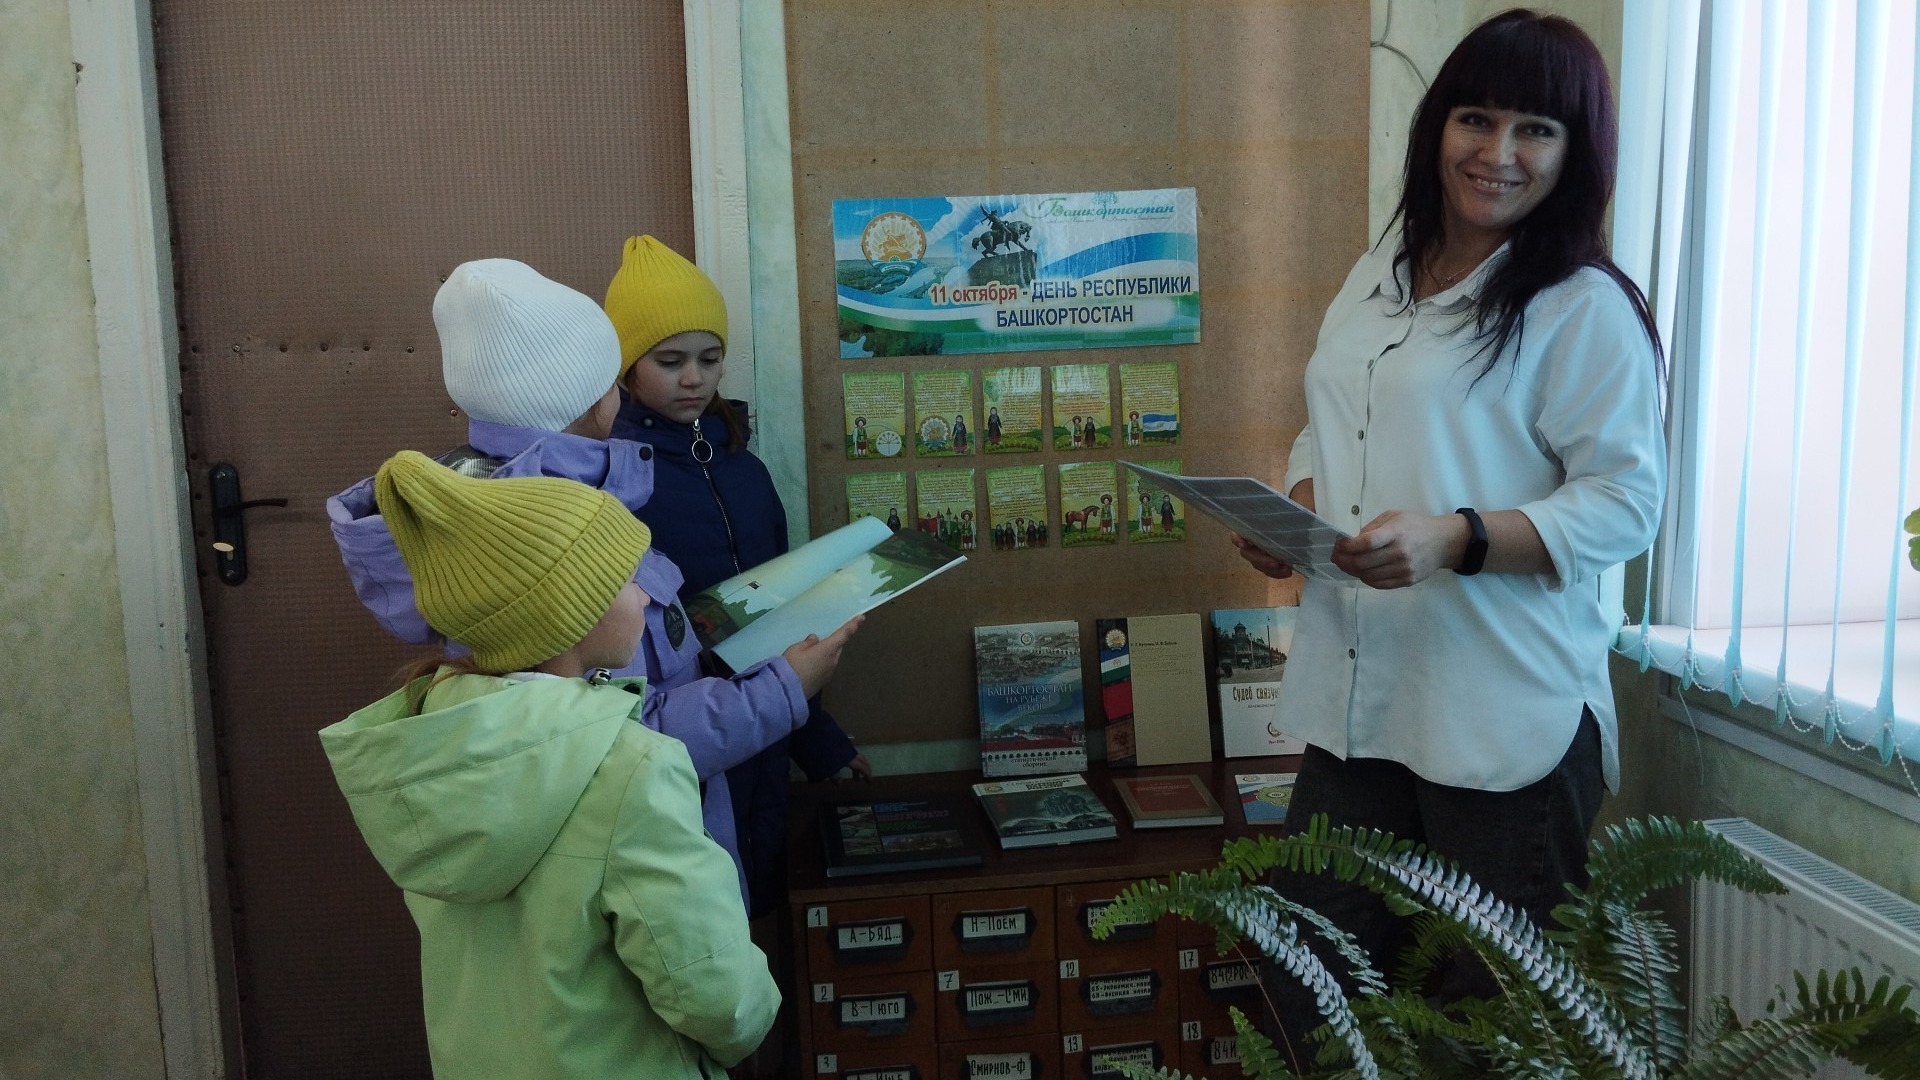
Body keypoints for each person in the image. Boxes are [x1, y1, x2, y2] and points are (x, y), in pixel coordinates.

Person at [1233, 9, 1666, 1056]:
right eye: (1477, 119)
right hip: (1360, 704)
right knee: (1305, 991)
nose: (1498, 152)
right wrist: (1298, 508)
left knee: (1489, 1033)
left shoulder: (1582, 308)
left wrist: (1456, 538)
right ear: (1439, 127)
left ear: (1574, 154)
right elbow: (1333, 419)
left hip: (1502, 722)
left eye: (1535, 130)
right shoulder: (1382, 267)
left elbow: (1626, 502)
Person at [326, 259, 855, 906]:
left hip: (647, 827)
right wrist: (784, 689)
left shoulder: (504, 501)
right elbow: (619, 739)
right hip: (640, 856)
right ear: (599, 392)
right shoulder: (558, 533)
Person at [320, 452, 780, 1078]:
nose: (646, 594)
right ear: (572, 613)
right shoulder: (631, 767)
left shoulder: (428, 748)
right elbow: (718, 996)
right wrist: (750, 1024)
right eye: (627, 578)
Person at [603, 235, 870, 923]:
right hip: (675, 749)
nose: (694, 378)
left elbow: (785, 615)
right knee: (702, 918)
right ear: (626, 368)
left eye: (710, 358)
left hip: (770, 731)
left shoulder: (746, 471)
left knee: (764, 908)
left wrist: (819, 741)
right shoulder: (613, 486)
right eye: (670, 361)